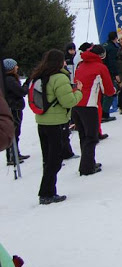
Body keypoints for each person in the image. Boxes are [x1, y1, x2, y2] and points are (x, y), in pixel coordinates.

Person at [30, 49, 83, 204]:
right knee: (55, 159)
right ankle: (46, 193)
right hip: (56, 123)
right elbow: (69, 102)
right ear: (60, 62)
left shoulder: (39, 75)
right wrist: (78, 91)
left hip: (42, 121)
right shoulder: (59, 77)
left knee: (48, 158)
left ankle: (49, 191)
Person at [73, 45, 116, 176]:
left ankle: (89, 162)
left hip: (75, 103)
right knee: (92, 137)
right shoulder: (100, 67)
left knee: (83, 136)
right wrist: (114, 90)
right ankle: (87, 167)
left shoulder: (80, 65)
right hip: (89, 105)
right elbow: (107, 89)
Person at [3, 59, 29, 166]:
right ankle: (12, 156)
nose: (17, 67)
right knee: (14, 132)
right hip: (14, 108)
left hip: (15, 107)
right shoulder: (9, 80)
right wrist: (27, 84)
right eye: (15, 65)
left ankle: (15, 153)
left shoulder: (9, 79)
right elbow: (21, 91)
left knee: (16, 132)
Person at [101, 31, 120, 122]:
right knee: (110, 91)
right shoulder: (112, 48)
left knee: (102, 93)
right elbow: (112, 62)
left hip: (100, 71)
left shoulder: (103, 45)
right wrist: (116, 74)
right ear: (115, 38)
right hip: (108, 73)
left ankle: (101, 113)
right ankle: (105, 114)